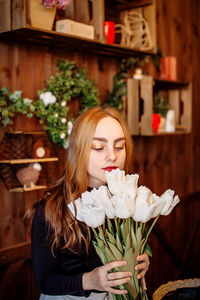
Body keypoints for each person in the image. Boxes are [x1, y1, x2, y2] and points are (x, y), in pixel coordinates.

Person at [30, 106, 150, 300]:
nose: (112, 155)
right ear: (79, 149)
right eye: (98, 147)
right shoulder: (52, 208)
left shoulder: (128, 198)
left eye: (119, 146)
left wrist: (139, 260)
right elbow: (44, 282)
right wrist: (89, 281)